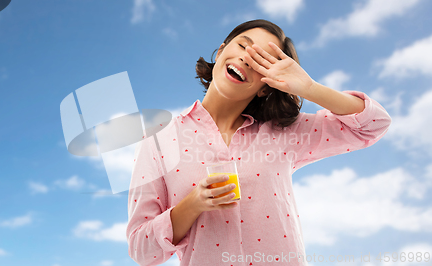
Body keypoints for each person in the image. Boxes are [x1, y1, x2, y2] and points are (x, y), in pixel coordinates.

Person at [126, 19, 392, 266]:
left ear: (266, 86)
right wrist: (193, 203)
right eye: (243, 46)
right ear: (220, 52)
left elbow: (375, 124)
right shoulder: (157, 142)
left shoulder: (285, 133)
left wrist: (309, 88)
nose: (246, 59)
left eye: (262, 61)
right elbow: (141, 249)